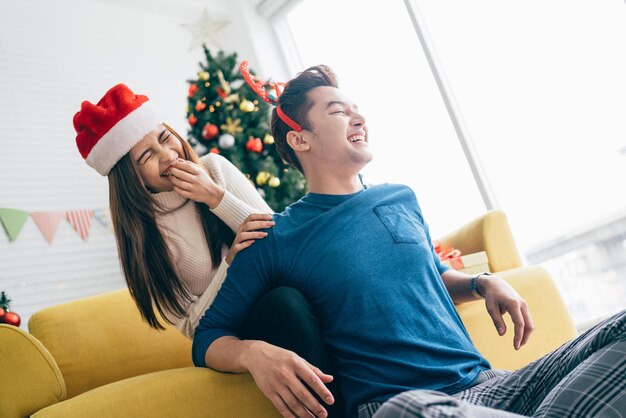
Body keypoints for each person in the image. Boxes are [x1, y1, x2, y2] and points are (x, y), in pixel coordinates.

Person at [191, 65, 626, 418]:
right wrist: (253, 354)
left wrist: (482, 283)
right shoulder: (278, 237)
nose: (359, 118)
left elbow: (431, 274)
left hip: (493, 389)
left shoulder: (400, 197)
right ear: (300, 138)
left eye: (357, 109)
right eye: (338, 112)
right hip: (407, 406)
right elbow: (209, 335)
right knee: (408, 411)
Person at [71, 82, 330, 369]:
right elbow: (191, 325)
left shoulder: (214, 170)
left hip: (288, 294)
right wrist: (231, 262)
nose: (168, 155)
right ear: (133, 179)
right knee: (284, 303)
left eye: (165, 138)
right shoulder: (144, 236)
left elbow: (282, 242)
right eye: (146, 157)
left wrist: (215, 197)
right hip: (236, 330)